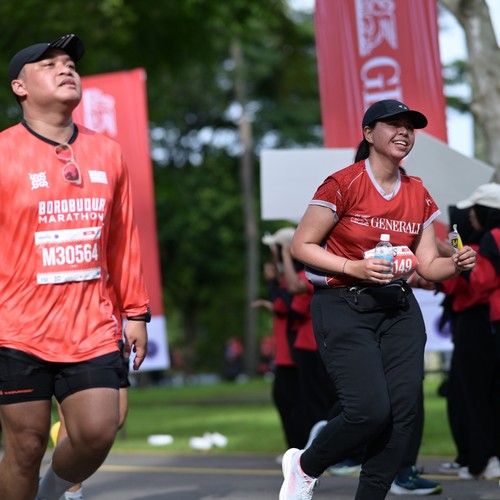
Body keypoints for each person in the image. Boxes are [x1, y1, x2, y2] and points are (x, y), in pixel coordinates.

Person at [278, 99, 476, 500]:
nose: (404, 132)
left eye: (410, 127)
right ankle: (305, 465)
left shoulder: (418, 192)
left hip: (399, 309)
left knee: (403, 416)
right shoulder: (343, 184)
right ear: (369, 134)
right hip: (343, 305)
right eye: (393, 124)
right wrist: (353, 267)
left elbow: (427, 266)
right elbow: (302, 245)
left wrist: (455, 264)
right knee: (369, 411)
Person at [0, 34, 150, 500]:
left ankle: (52, 494)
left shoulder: (108, 151)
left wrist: (136, 312)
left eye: (69, 63)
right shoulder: (3, 151)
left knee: (99, 430)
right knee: (25, 447)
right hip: (16, 330)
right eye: (48, 65)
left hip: (91, 328)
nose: (65, 69)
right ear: (20, 87)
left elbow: (123, 238)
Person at [438, 185, 500, 481]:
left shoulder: (490, 238)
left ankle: (482, 459)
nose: (471, 216)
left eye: (475, 209)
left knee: (478, 394)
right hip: (482, 322)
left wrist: (452, 255)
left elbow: (479, 283)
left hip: (482, 322)